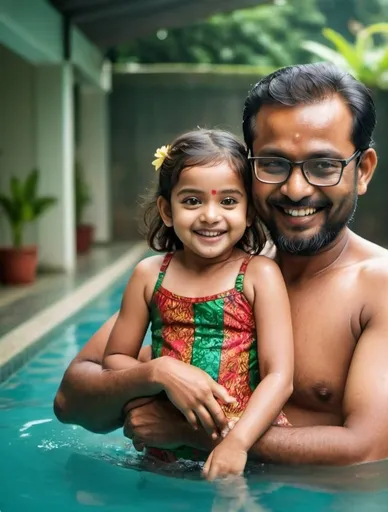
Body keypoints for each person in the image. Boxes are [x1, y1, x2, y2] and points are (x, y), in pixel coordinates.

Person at [54, 62, 388, 470]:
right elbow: (70, 401)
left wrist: (192, 433)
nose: (296, 188)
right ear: (247, 168)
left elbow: (373, 452)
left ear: (362, 171)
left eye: (324, 166)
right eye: (273, 164)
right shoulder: (210, 274)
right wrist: (157, 373)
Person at [101, 129, 294, 480]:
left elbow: (279, 376)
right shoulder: (149, 275)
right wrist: (162, 371)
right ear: (167, 210)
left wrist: (237, 443)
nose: (210, 215)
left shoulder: (258, 275)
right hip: (163, 453)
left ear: (250, 211)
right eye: (192, 201)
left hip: (244, 449)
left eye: (228, 202)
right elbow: (114, 360)